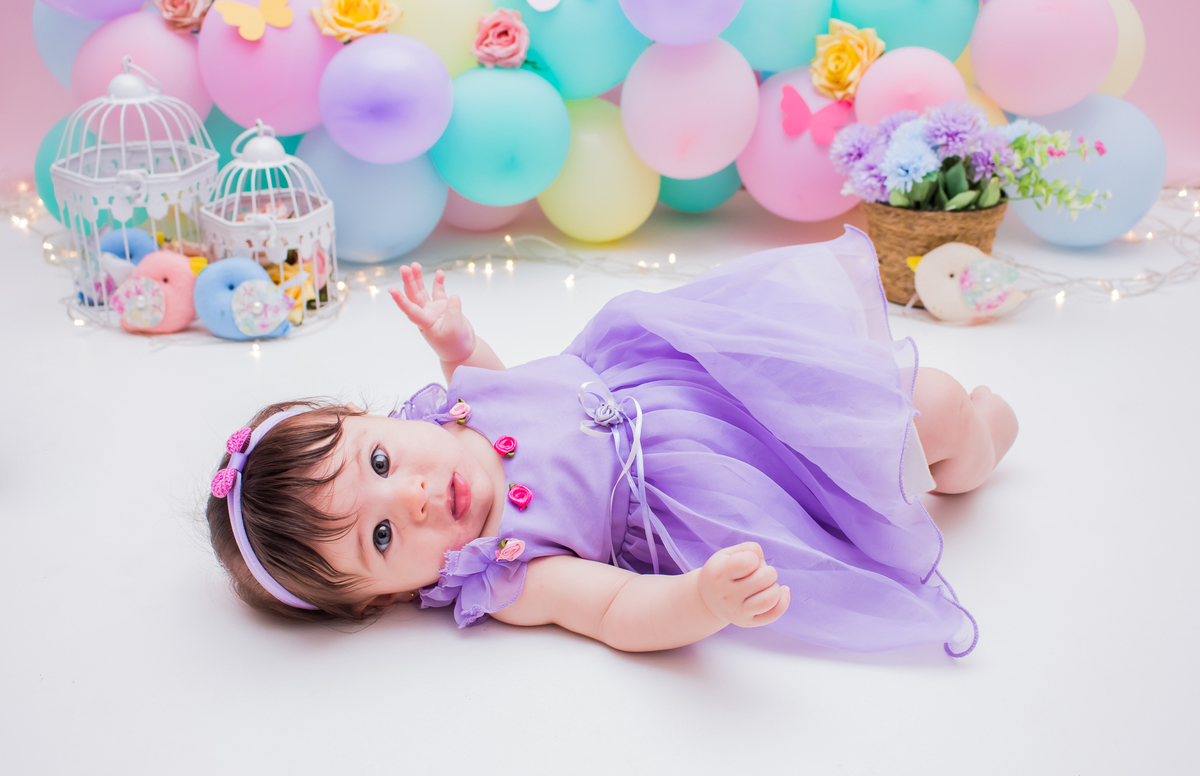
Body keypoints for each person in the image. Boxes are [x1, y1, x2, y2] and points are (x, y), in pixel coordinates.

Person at [206, 227, 1017, 657]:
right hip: (719, 484)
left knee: (874, 384)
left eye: (380, 461)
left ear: (370, 417)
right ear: (385, 598)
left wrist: (458, 343)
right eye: (381, 537)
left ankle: (956, 426)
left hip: (704, 382)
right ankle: (977, 441)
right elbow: (618, 610)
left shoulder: (455, 411)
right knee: (939, 412)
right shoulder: (512, 570)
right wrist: (702, 601)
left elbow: (509, 389)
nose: (412, 497)